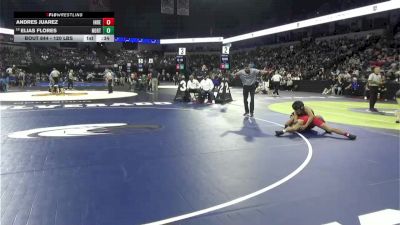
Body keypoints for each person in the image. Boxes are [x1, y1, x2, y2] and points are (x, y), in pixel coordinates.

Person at [275, 101, 356, 140]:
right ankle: (283, 130)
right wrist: (295, 120)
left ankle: (347, 134)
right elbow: (296, 119)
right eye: (295, 110)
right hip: (304, 122)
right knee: (289, 123)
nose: (296, 111)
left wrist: (304, 125)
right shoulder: (296, 112)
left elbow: (311, 117)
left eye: (296, 110)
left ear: (301, 108)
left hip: (309, 122)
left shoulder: (307, 109)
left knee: (328, 126)